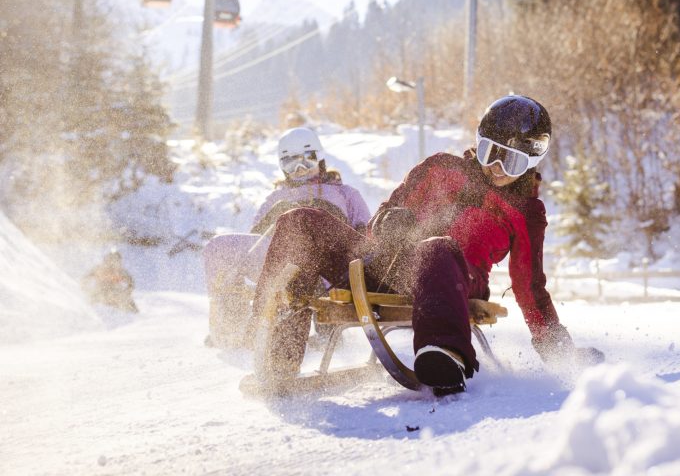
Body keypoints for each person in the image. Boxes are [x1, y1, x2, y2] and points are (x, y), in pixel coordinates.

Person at [245, 95, 604, 396]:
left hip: (451, 278)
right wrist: (388, 221)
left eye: (508, 160)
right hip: (384, 264)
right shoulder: (438, 168)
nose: (495, 167)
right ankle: (268, 338)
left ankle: (444, 353)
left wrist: (561, 353)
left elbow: (531, 289)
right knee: (300, 220)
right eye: (487, 152)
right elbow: (385, 211)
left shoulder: (525, 212)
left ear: (531, 163)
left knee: (436, 247)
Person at [203, 126, 371, 348]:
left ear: (319, 159)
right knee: (218, 247)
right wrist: (274, 217)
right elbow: (256, 238)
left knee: (311, 252)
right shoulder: (276, 198)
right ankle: (232, 325)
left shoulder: (345, 194)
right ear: (282, 167)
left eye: (306, 160)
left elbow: (365, 236)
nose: (300, 169)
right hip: (280, 261)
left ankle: (328, 330)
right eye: (290, 163)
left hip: (327, 266)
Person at [82, 248, 138, 313]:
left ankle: (132, 316)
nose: (112, 263)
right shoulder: (99, 268)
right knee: (89, 301)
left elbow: (131, 283)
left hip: (115, 293)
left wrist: (126, 293)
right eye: (111, 259)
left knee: (129, 303)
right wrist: (87, 289)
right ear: (106, 259)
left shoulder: (120, 271)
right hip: (100, 291)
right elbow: (85, 278)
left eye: (116, 260)